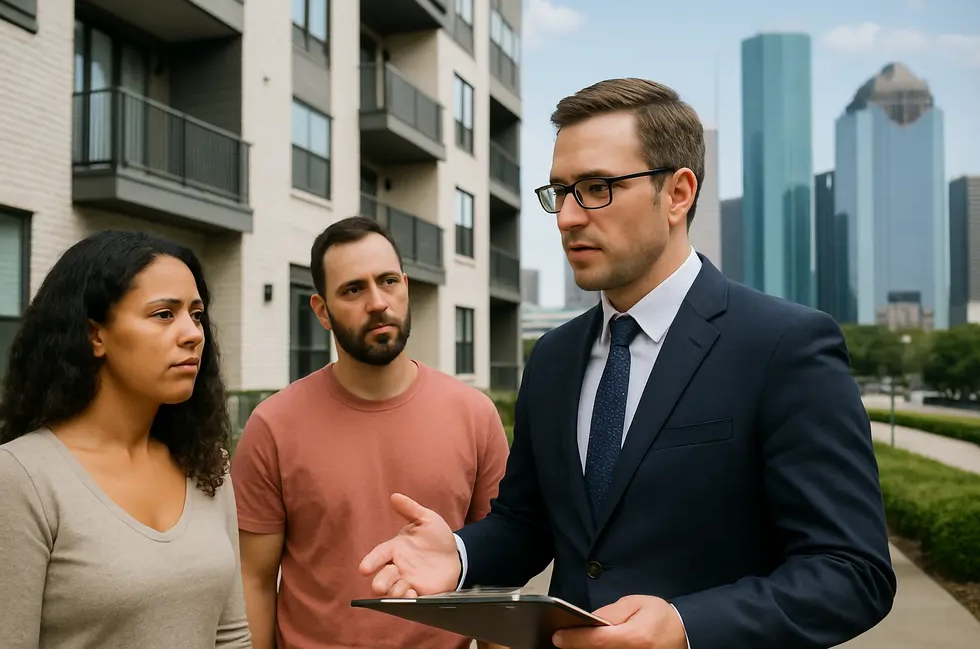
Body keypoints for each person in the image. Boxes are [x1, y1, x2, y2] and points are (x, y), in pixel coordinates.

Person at [359, 78, 897, 649]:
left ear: (678, 194)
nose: (566, 218)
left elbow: (851, 572)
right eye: (559, 192)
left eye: (596, 187)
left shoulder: (784, 346)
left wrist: (688, 627)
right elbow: (529, 524)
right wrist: (462, 554)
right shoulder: (553, 357)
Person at [230, 215, 510, 649]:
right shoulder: (273, 426)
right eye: (353, 289)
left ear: (406, 287)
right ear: (322, 311)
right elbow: (255, 580)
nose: (378, 302)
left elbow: (493, 571)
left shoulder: (474, 415)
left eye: (388, 282)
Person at [0, 230, 251, 649]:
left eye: (196, 313)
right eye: (163, 314)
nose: (193, 333)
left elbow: (232, 637)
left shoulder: (208, 465)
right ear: (95, 335)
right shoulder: (21, 478)